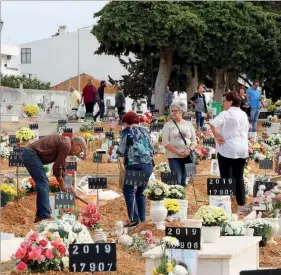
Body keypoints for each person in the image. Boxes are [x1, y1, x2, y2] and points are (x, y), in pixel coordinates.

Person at [21, 135, 86, 223]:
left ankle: (40, 216)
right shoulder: (66, 145)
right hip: (31, 155)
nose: (79, 153)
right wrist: (62, 184)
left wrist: (69, 186)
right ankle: (43, 216)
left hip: (31, 155)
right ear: (77, 145)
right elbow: (56, 168)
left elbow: (63, 168)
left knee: (43, 183)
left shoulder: (66, 144)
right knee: (43, 183)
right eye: (81, 150)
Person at [210, 91, 249, 206]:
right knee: (239, 177)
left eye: (225, 100)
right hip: (242, 149)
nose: (223, 103)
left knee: (226, 178)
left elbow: (212, 124)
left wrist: (216, 135)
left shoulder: (225, 114)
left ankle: (225, 205)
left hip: (227, 149)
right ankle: (241, 204)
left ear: (230, 102)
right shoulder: (243, 114)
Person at [117, 112, 154, 227]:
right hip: (148, 165)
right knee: (140, 192)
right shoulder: (145, 130)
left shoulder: (127, 132)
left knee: (129, 191)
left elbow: (121, 150)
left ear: (126, 121)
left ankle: (134, 218)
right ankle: (142, 219)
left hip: (135, 164)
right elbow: (152, 147)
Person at [162, 102, 197, 186]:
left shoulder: (188, 124)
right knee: (177, 180)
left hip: (188, 156)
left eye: (175, 111)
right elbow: (165, 143)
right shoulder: (168, 125)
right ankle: (178, 197)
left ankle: (183, 197)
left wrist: (189, 150)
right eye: (171, 111)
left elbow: (194, 141)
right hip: (174, 156)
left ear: (181, 112)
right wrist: (178, 152)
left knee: (185, 180)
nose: (173, 113)